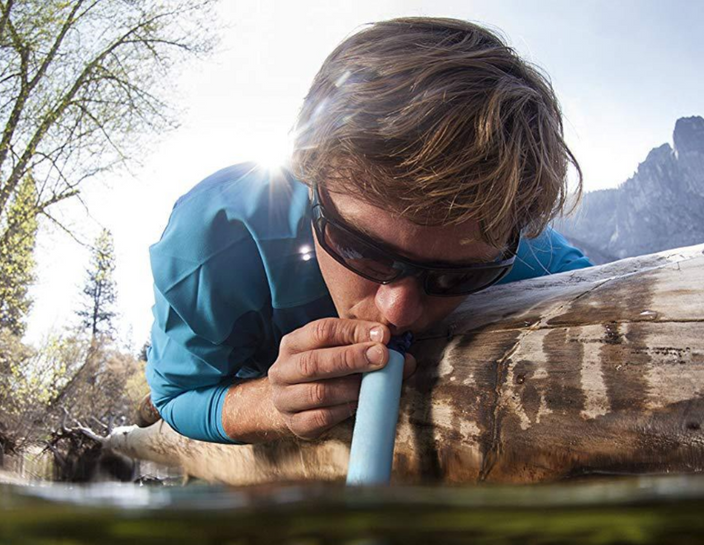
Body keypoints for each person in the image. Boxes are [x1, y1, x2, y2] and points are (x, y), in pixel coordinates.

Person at [144, 17, 592, 445]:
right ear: (308, 174)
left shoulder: (508, 241)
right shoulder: (214, 239)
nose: (397, 311)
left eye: (456, 278)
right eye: (361, 251)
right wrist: (270, 405)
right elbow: (177, 396)